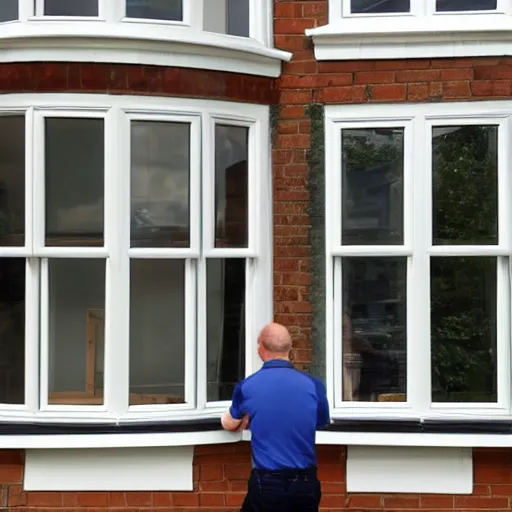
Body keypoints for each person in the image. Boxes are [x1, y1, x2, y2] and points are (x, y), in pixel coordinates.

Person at [221, 322, 330, 512]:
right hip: (305, 484)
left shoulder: (248, 387)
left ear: (261, 349)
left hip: (268, 484)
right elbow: (321, 422)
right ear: (289, 349)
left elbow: (230, 423)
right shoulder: (314, 385)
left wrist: (245, 419)